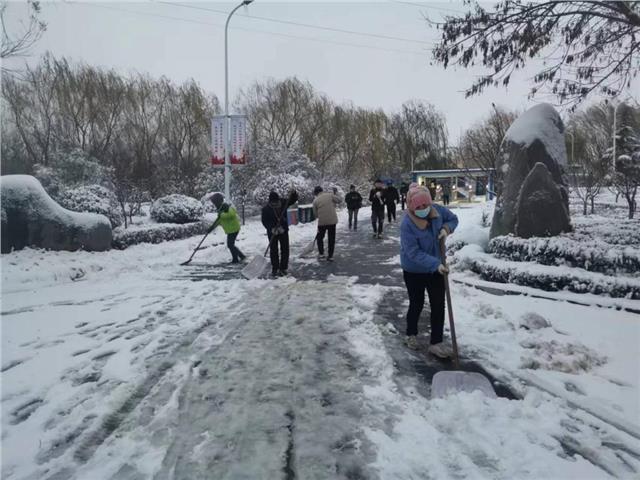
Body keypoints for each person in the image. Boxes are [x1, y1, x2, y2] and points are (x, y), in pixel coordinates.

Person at [400, 184, 458, 358]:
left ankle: (436, 342)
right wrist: (435, 264)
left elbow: (453, 219)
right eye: (418, 207)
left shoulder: (438, 211)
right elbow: (413, 252)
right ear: (411, 206)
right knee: (416, 303)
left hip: (436, 268)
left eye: (425, 205)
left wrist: (446, 229)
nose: (423, 209)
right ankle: (411, 334)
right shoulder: (407, 224)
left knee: (438, 303)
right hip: (414, 270)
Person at [261, 189, 299, 277]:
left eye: (276, 202)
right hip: (272, 232)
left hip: (283, 230)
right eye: (273, 203)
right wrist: (271, 228)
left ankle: (283, 268)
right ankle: (275, 268)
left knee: (285, 249)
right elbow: (264, 221)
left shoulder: (283, 203)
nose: (275, 204)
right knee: (274, 250)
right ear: (270, 202)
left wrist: (294, 194)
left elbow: (293, 200)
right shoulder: (266, 209)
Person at [209, 192, 245, 264]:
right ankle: (241, 256)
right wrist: (212, 227)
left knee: (230, 245)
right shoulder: (220, 208)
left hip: (234, 229)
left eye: (215, 203)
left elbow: (232, 214)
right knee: (231, 245)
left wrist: (221, 214)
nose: (214, 204)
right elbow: (219, 220)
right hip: (230, 229)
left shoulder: (226, 206)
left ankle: (236, 259)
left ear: (219, 201)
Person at [312, 186, 340, 261]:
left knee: (320, 238)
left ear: (316, 193)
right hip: (332, 221)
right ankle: (330, 256)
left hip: (322, 222)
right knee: (331, 238)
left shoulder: (315, 200)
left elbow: (315, 214)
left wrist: (320, 216)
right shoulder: (330, 195)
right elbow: (339, 200)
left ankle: (321, 254)